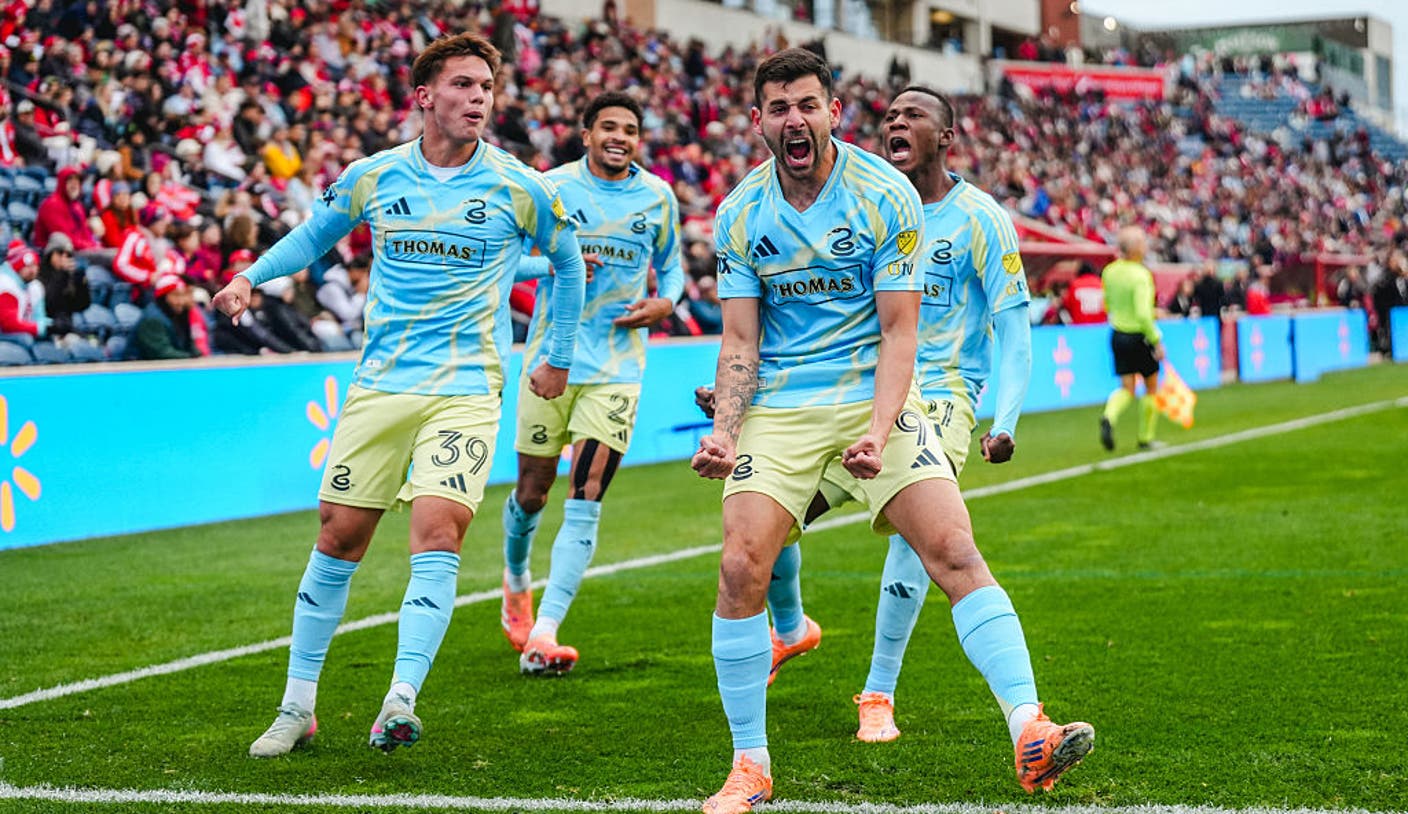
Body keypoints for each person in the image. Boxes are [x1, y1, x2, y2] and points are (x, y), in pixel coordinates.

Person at [691, 50, 1091, 813]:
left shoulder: (884, 195)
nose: (795, 120)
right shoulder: (740, 212)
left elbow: (900, 331)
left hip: (875, 393)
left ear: (833, 112)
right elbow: (740, 339)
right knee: (741, 566)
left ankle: (1029, 727)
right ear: (758, 121)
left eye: (808, 104)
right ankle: (750, 766)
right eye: (779, 108)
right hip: (782, 404)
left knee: (952, 549)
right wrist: (725, 430)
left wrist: (878, 432)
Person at [215, 32, 586, 759]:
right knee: (338, 535)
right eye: (463, 85)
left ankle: (401, 697)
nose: (478, 98)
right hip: (382, 383)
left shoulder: (521, 186)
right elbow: (313, 236)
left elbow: (569, 265)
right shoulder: (375, 175)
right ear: (425, 96)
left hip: (465, 388)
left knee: (440, 530)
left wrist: (559, 357)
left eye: (486, 87)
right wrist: (249, 278)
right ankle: (297, 706)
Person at [499, 91, 684, 675]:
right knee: (532, 492)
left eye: (629, 129)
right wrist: (559, 261)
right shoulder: (551, 188)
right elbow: (509, 261)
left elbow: (673, 268)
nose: (619, 137)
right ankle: (516, 580)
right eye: (608, 127)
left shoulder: (657, 197)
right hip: (549, 363)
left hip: (617, 368)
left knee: (587, 493)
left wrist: (667, 301)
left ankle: (545, 631)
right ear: (586, 135)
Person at [1099, 226, 1162, 451]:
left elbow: (1107, 303)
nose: (1146, 246)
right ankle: (1146, 437)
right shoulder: (1141, 275)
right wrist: (1156, 339)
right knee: (1151, 385)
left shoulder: (1109, 271)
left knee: (1127, 388)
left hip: (1117, 334)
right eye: (1143, 242)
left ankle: (1109, 415)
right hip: (1138, 335)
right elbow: (1143, 314)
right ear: (1135, 248)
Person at [131, 273, 198, 360]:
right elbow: (163, 353)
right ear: (163, 297)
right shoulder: (153, 319)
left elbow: (188, 345)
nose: (180, 301)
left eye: (182, 295)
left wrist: (198, 356)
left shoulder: (178, 313)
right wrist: (192, 358)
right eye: (175, 295)